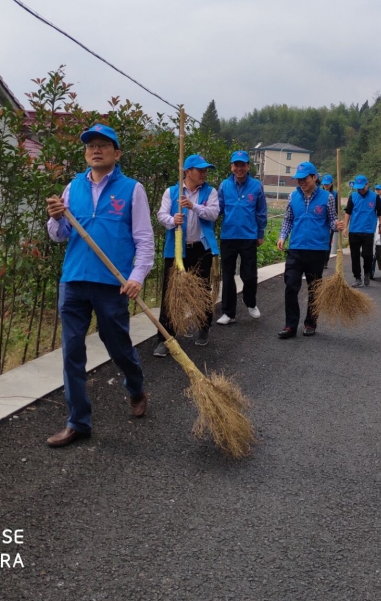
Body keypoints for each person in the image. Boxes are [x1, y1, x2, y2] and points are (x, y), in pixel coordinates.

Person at [44, 123, 154, 447]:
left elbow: (144, 240)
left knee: (118, 345)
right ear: (85, 152)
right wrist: (56, 218)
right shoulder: (72, 188)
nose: (96, 149)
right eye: (90, 145)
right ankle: (78, 422)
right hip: (74, 279)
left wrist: (137, 277)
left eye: (104, 145)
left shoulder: (132, 189)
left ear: (116, 153)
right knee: (72, 353)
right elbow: (59, 236)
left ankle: (135, 386)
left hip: (112, 283)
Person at [154, 154, 220, 355]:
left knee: (202, 290)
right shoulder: (172, 192)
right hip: (176, 250)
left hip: (201, 248)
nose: (204, 173)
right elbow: (161, 215)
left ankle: (203, 327)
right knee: (171, 292)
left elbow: (214, 214)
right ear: (187, 171)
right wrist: (173, 219)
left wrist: (194, 207)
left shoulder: (210, 192)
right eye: (200, 170)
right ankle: (166, 338)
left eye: (205, 170)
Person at [276, 162, 343, 339]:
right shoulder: (293, 197)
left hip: (317, 249)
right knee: (291, 286)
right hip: (296, 248)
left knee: (314, 288)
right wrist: (282, 236)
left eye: (305, 179)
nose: (301, 182)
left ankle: (310, 323)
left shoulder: (327, 197)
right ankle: (290, 325)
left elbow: (331, 221)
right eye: (298, 179)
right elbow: (288, 220)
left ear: (314, 177)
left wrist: (337, 225)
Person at [216, 150, 268, 325]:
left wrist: (260, 233)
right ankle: (228, 313)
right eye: (236, 165)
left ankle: (251, 302)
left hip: (248, 236)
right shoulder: (224, 186)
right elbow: (218, 209)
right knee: (228, 275)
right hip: (228, 236)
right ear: (231, 167)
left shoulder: (256, 186)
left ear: (248, 166)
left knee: (249, 275)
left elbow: (261, 212)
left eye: (242, 165)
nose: (239, 168)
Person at [343, 174, 381, 288]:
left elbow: (380, 212)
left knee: (367, 255)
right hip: (354, 230)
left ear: (367, 184)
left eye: (362, 187)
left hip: (368, 231)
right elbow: (348, 212)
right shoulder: (353, 196)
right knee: (354, 256)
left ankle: (367, 272)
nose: (360, 189)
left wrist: (380, 225)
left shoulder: (374, 197)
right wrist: (345, 227)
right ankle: (357, 278)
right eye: (358, 187)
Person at [320, 174, 339, 265]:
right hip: (320, 221)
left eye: (327, 184)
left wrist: (335, 221)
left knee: (328, 240)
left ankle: (325, 261)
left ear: (331, 184)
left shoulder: (335, 195)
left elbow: (337, 210)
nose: (326, 186)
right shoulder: (318, 193)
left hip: (330, 221)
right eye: (324, 184)